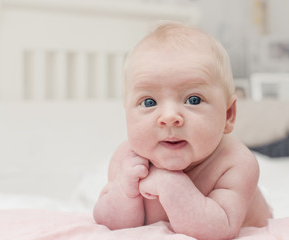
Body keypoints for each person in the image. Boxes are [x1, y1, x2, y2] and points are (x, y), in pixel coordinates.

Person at [93, 22, 272, 240]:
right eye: (149, 102)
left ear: (228, 114)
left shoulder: (234, 162)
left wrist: (171, 185)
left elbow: (219, 229)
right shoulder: (127, 160)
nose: (169, 117)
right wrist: (123, 191)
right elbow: (109, 225)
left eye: (193, 99)